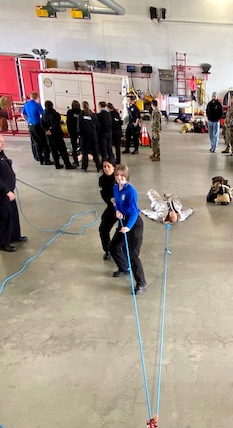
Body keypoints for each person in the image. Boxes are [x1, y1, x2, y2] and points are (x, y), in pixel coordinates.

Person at [109, 164, 147, 295]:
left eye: (122, 175)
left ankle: (141, 283)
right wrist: (117, 211)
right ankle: (124, 267)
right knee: (114, 246)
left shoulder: (131, 191)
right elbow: (117, 203)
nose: (119, 178)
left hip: (133, 224)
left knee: (132, 254)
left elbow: (134, 212)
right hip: (123, 221)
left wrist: (128, 227)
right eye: (117, 175)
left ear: (127, 177)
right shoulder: (115, 188)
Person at [41, 101, 75, 169]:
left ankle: (57, 164)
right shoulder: (55, 114)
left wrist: (47, 130)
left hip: (49, 136)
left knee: (53, 151)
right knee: (63, 151)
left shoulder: (44, 114)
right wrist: (51, 130)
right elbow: (56, 124)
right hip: (57, 135)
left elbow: (42, 124)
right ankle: (67, 164)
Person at [22, 92, 51, 165]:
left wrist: (28, 121)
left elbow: (23, 114)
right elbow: (43, 115)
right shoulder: (37, 105)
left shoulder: (26, 104)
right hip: (37, 126)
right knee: (44, 143)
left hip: (30, 126)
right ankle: (46, 159)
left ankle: (39, 158)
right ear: (37, 98)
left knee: (36, 143)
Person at [98, 160, 117, 260]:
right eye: (104, 166)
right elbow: (104, 194)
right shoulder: (102, 179)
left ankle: (119, 249)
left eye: (108, 166)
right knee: (103, 229)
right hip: (111, 207)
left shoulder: (118, 178)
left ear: (113, 167)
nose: (106, 169)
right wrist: (110, 200)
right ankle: (108, 250)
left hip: (123, 208)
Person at [79, 101, 100, 172]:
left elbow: (79, 127)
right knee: (95, 153)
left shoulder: (81, 115)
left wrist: (79, 135)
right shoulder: (93, 115)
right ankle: (98, 167)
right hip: (93, 137)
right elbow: (98, 127)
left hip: (85, 138)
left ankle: (84, 168)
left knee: (85, 153)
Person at [66, 100, 81, 167]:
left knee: (74, 147)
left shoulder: (70, 112)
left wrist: (69, 131)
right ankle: (83, 160)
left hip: (72, 131)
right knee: (82, 146)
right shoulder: (81, 112)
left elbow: (68, 123)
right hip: (81, 131)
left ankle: (76, 161)